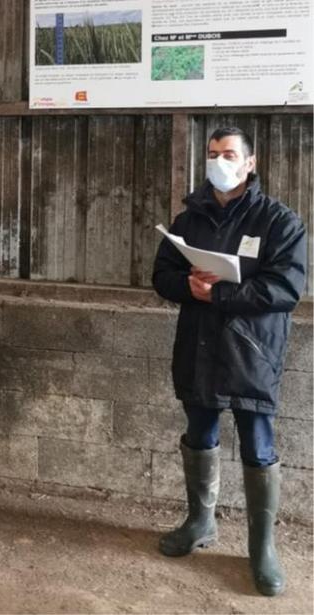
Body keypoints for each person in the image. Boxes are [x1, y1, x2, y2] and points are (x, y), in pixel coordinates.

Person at [152, 126, 307, 597]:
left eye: (229, 154)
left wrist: (219, 291)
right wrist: (188, 287)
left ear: (250, 163)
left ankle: (262, 550)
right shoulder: (187, 219)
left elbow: (286, 289)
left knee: (257, 445)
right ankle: (200, 523)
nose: (220, 161)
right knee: (200, 435)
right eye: (213, 154)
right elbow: (163, 274)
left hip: (251, 352)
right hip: (199, 348)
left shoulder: (279, 221)